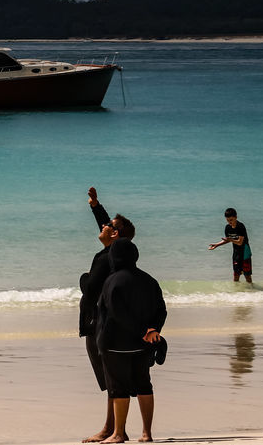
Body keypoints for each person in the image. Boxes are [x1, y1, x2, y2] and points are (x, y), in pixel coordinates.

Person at [80, 187, 137, 443]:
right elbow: (107, 225)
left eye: (108, 227)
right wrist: (95, 205)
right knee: (110, 378)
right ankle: (111, 427)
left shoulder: (106, 259)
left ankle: (114, 430)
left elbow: (91, 289)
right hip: (104, 323)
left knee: (110, 378)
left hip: (98, 324)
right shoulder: (115, 254)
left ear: (114, 234)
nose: (102, 227)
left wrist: (83, 280)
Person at [97, 239, 167, 444]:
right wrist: (153, 330)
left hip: (114, 344)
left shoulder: (112, 281)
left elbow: (116, 313)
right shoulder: (149, 280)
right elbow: (161, 309)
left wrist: (142, 330)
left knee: (118, 387)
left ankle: (118, 433)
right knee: (144, 384)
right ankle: (147, 433)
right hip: (143, 344)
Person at [208, 208, 253, 283]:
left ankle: (252, 291)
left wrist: (230, 240)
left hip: (245, 252)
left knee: (247, 275)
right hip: (236, 253)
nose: (229, 222)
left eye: (231, 220)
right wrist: (217, 245)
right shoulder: (227, 228)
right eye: (228, 220)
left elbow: (239, 242)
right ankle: (236, 293)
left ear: (236, 217)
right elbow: (227, 240)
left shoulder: (240, 226)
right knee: (236, 275)